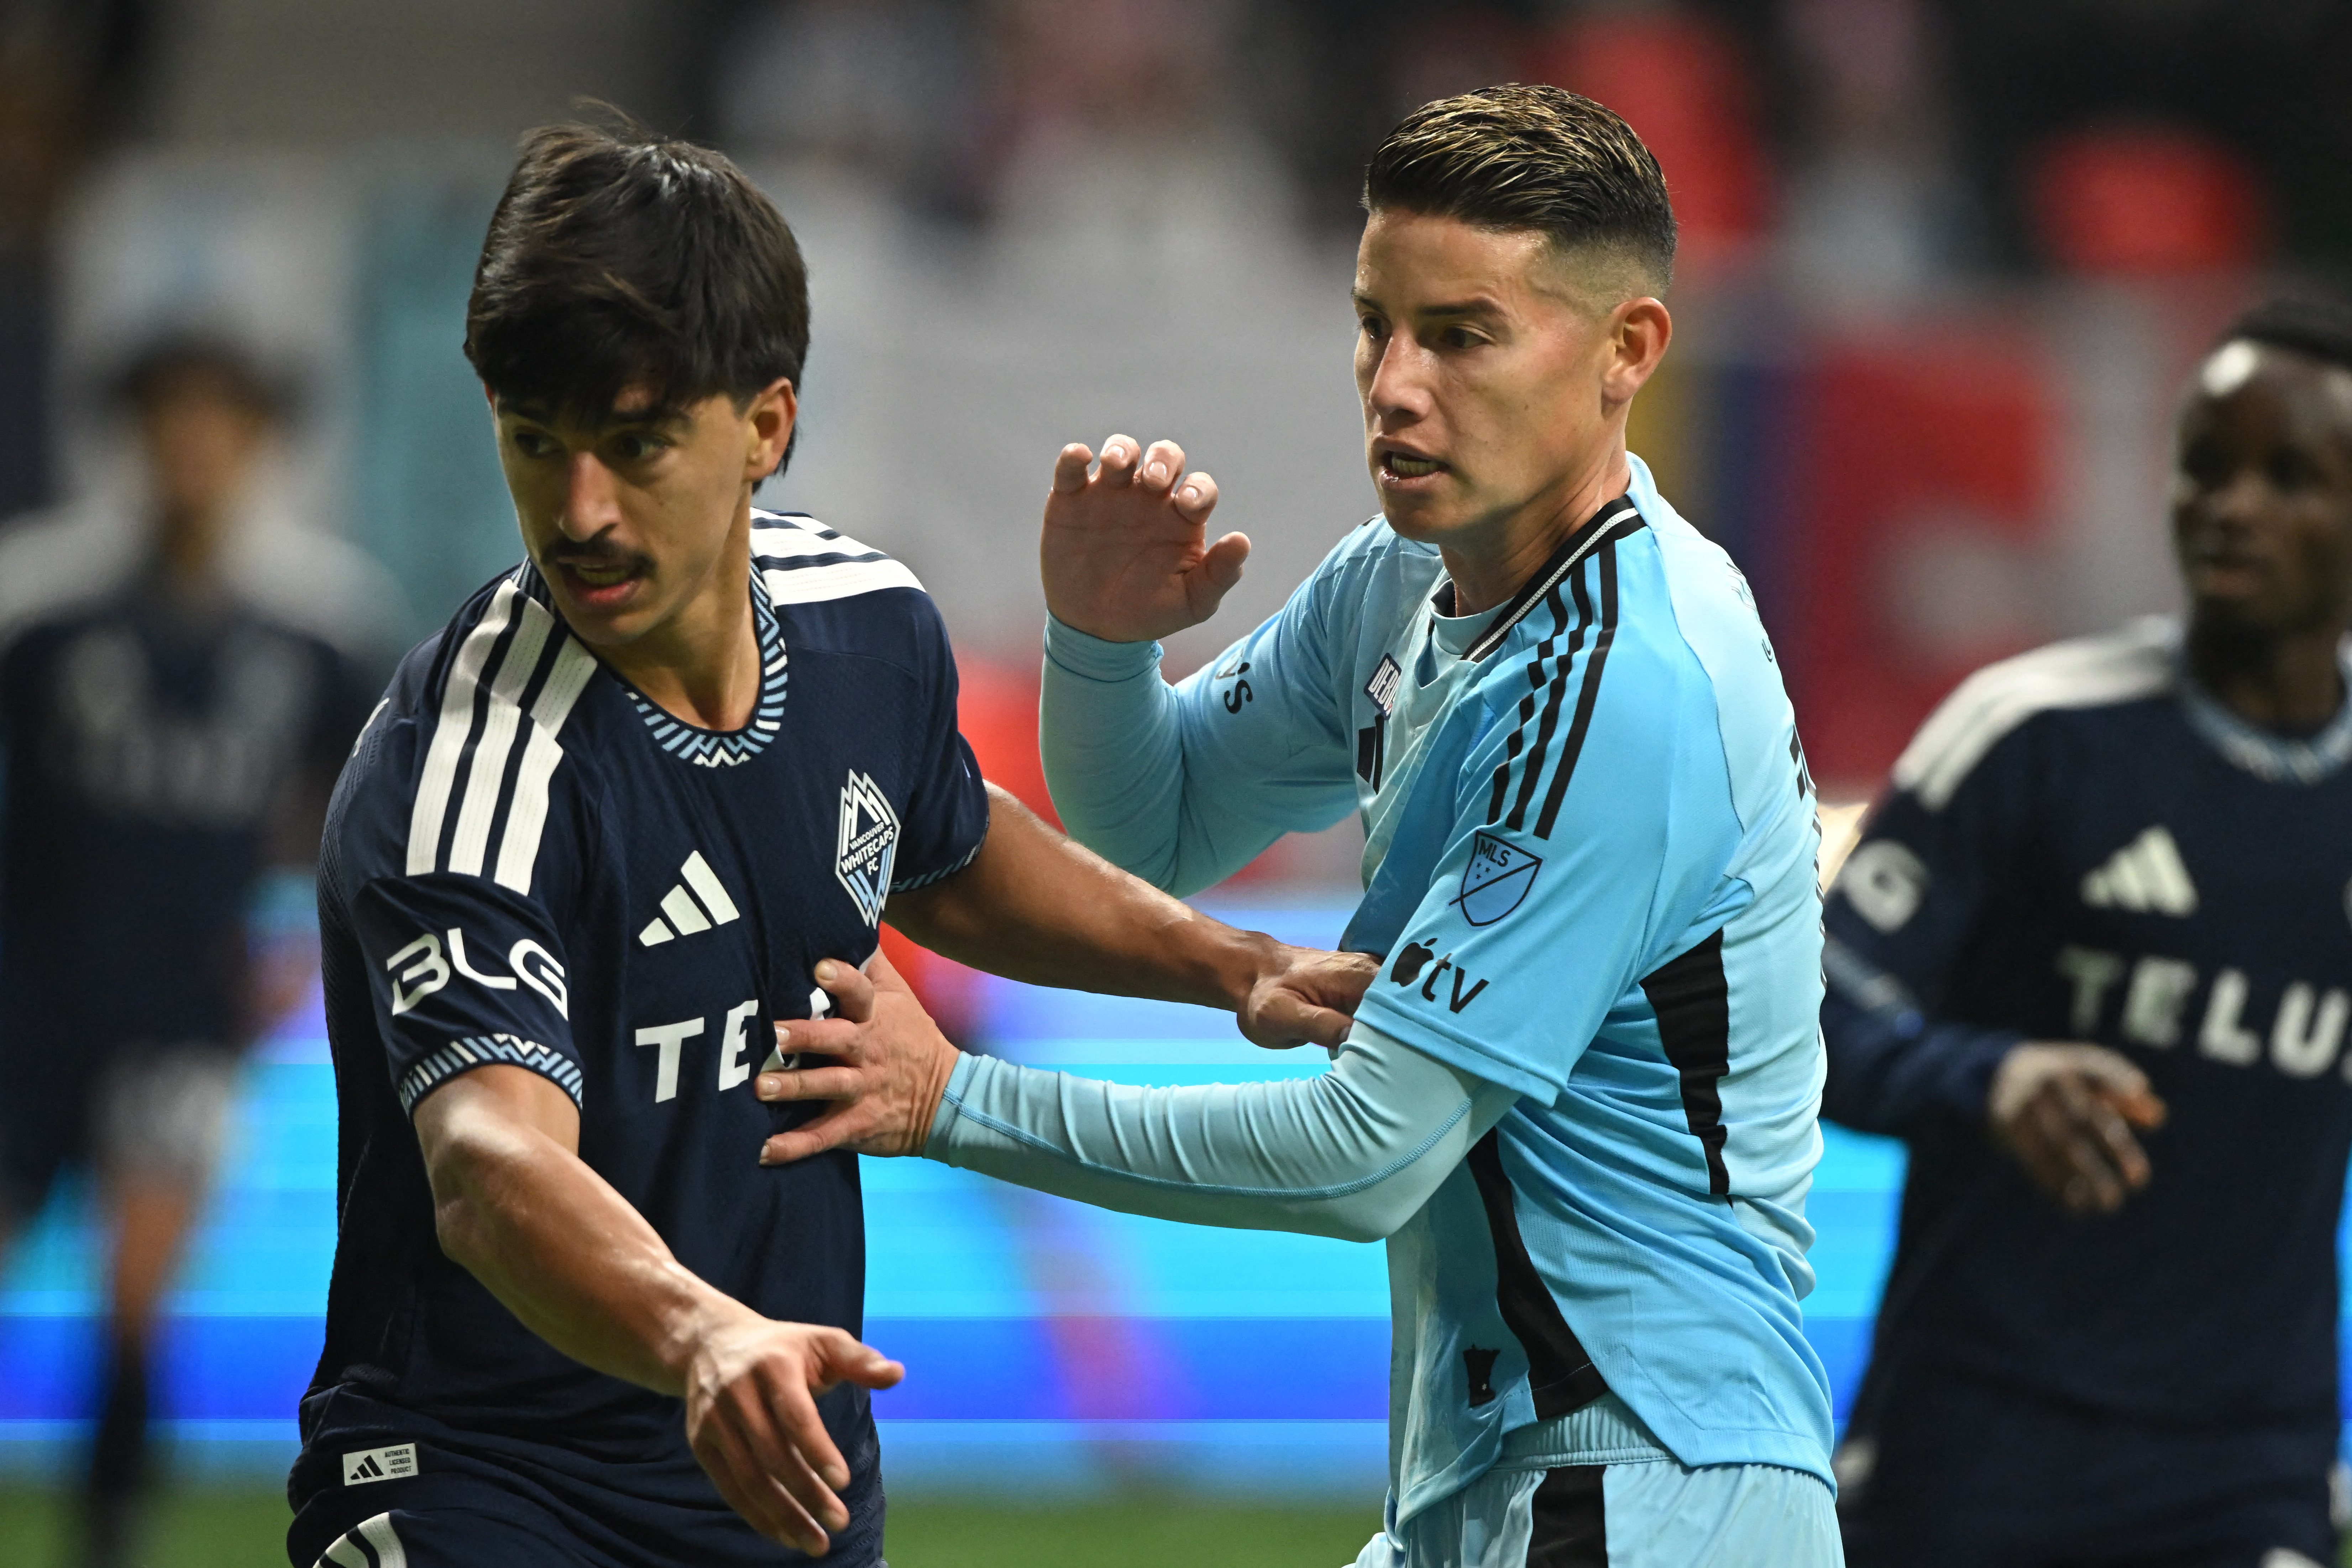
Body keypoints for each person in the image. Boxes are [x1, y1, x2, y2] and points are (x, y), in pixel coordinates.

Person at [758, 86, 1841, 1566]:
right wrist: (1102, 645)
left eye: (1460, 336)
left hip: (1649, 1481)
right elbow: (1157, 826)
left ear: (1626, 351)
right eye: (1374, 326)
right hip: (1500, 1475)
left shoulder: (1627, 683)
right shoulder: (1400, 580)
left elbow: (1366, 1152)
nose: (1395, 385)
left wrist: (952, 1102)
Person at [284, 119, 1368, 1568]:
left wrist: (1233, 966)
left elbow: (950, 847)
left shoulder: (864, 624)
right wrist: (703, 1336)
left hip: (786, 1469)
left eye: (635, 443)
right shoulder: (468, 769)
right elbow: (487, 1166)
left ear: (767, 426)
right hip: (484, 1479)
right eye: (536, 442)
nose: (579, 510)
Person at [1817, 298, 2352, 1568]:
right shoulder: (2034, 735)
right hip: (1977, 1448)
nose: (2231, 508)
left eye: (2289, 477)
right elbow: (1805, 1012)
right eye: (2206, 466)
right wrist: (1988, 1076)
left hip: (2244, 1472)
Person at [0, 336, 381, 1568]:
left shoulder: (320, 625)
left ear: (260, 443)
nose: (194, 447)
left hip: (185, 1011)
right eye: (171, 420)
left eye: (221, 422)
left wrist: (302, 945)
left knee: (136, 1294)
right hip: (27, 999)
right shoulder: (41, 605)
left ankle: (107, 1531)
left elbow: (363, 809)